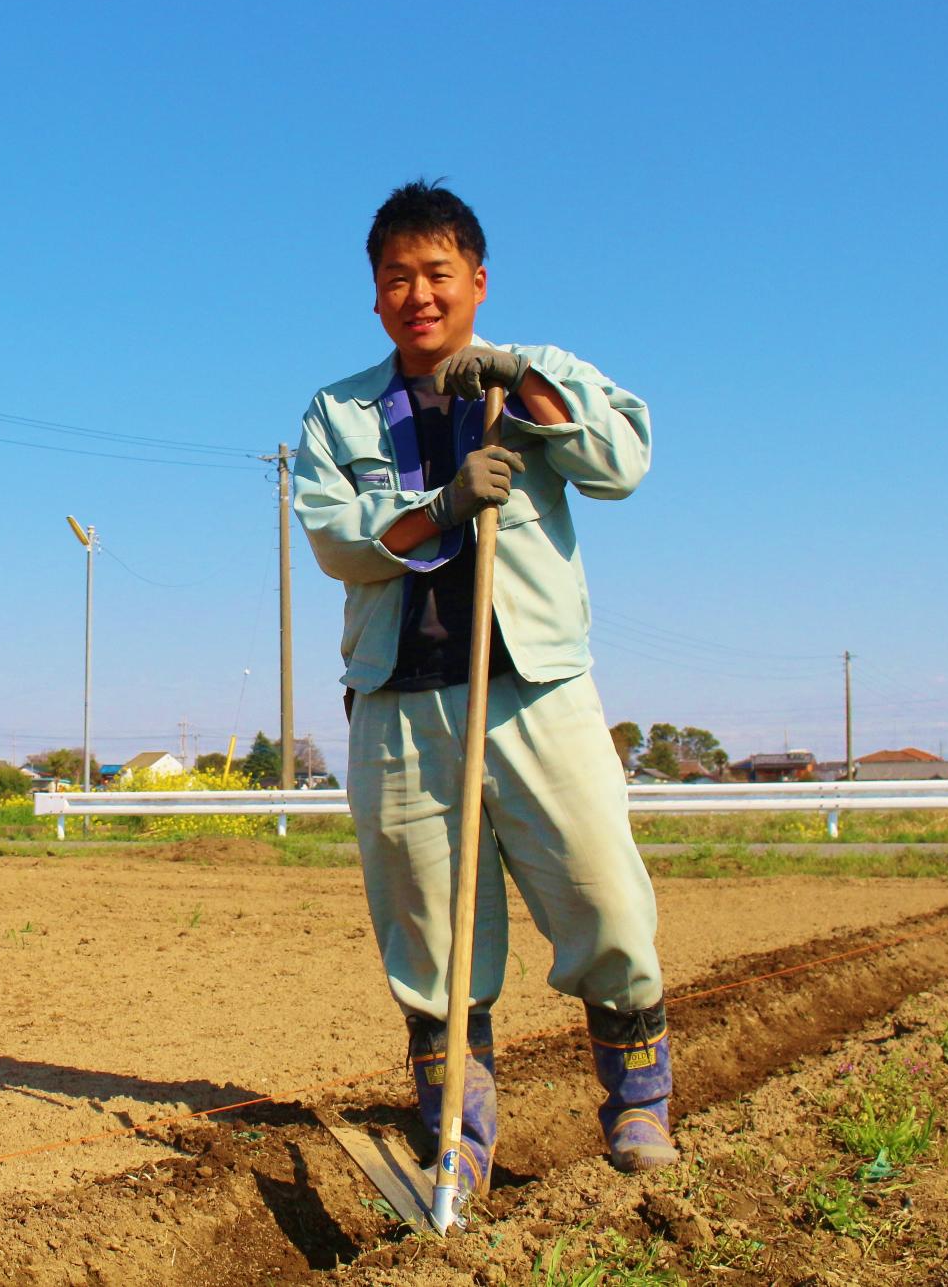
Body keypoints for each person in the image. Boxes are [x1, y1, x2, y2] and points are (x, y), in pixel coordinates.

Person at [292, 180, 674, 1207]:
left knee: (599, 894)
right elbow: (337, 541)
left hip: (535, 689)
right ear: (374, 297)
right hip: (398, 699)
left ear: (475, 282)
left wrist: (525, 382)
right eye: (394, 279)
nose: (416, 294)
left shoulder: (538, 378)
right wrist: (447, 503)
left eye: (435, 274)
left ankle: (637, 1102)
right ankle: (456, 1132)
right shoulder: (339, 412)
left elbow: (619, 462)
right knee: (429, 933)